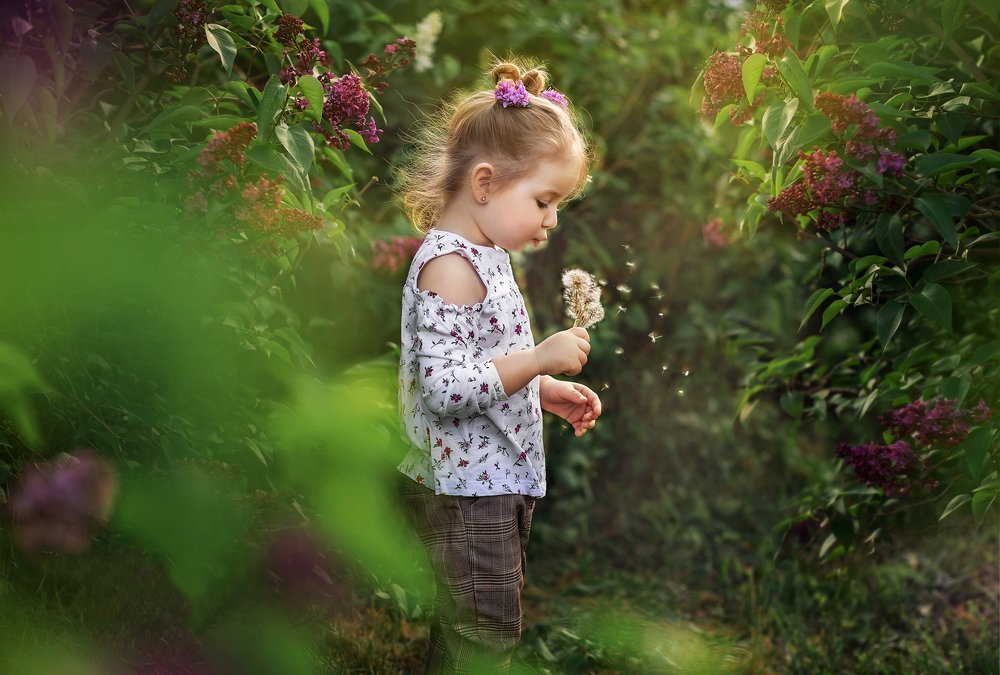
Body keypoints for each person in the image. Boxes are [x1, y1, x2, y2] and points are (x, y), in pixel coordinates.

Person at [393, 58, 603, 674]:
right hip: (467, 493)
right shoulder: (452, 267)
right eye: (544, 200)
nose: (552, 219)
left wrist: (541, 388)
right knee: (484, 633)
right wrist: (538, 356)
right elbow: (443, 389)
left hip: (488, 484)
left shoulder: (485, 254)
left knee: (465, 628)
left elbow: (481, 366)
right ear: (484, 184)